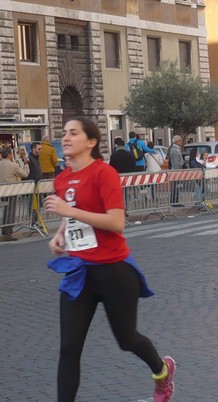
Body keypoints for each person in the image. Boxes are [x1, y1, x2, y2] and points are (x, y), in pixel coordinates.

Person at [43, 116, 175, 402]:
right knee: (68, 349)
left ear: (91, 142)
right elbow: (74, 212)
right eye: (64, 133)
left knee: (127, 340)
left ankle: (162, 370)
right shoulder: (62, 178)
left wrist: (70, 212)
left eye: (73, 133)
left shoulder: (104, 173)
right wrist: (61, 234)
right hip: (79, 274)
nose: (65, 137)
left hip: (114, 271)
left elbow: (116, 222)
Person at [0, 147, 29, 241]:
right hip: (12, 191)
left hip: (2, 192)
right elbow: (25, 174)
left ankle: (4, 230)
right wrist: (26, 164)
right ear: (9, 154)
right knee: (11, 212)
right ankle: (9, 232)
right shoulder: (13, 165)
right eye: (12, 153)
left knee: (5, 211)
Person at [168, 135, 184, 206]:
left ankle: (175, 201)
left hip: (177, 171)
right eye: (180, 140)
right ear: (176, 141)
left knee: (177, 186)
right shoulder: (174, 150)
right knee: (175, 186)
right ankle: (174, 201)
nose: (181, 142)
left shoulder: (177, 149)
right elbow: (176, 162)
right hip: (176, 171)